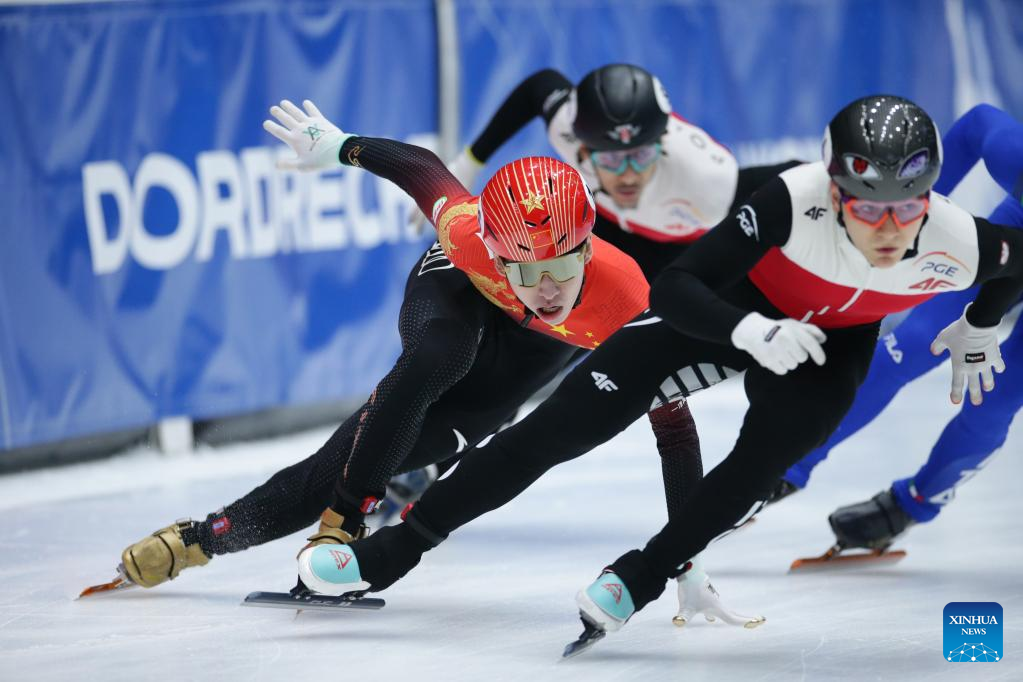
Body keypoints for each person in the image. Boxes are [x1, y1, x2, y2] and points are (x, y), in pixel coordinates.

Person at [297, 95, 1023, 642]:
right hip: (730, 307)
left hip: (832, 346)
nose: (887, 231)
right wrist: (747, 329)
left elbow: (1011, 262)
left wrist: (982, 323)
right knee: (557, 427)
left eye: (906, 210)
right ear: (834, 191)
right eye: (866, 210)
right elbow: (678, 287)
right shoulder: (789, 199)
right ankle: (390, 553)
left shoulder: (958, 240)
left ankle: (642, 576)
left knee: (758, 465)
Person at [112, 97, 759, 627]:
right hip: (460, 293)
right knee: (438, 356)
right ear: (496, 250)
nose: (546, 287)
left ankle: (207, 536)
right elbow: (420, 169)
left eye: (563, 265)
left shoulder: (627, 301)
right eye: (526, 268)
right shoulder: (469, 235)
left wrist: (686, 562)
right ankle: (325, 526)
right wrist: (340, 147)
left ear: (589, 246)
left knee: (399, 445)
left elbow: (674, 431)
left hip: (534, 351)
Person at [770, 104, 1023, 553]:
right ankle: (787, 466)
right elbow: (977, 124)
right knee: (911, 343)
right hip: (1014, 237)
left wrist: (982, 322)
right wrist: (914, 222)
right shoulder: (1013, 155)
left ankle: (915, 501)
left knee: (995, 399)